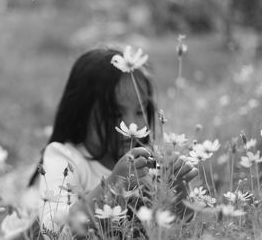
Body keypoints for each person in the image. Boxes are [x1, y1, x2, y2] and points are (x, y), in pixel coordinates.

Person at [28, 47, 198, 237]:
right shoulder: (64, 158)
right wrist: (113, 186)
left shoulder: (147, 164)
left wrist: (178, 194)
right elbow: (53, 232)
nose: (132, 123)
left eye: (140, 111)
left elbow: (168, 230)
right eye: (116, 113)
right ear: (81, 113)